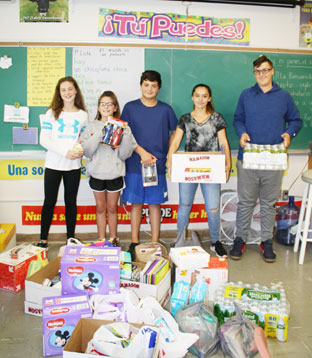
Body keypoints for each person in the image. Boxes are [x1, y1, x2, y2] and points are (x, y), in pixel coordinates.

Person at [230, 55, 302, 263]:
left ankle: (266, 241)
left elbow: (295, 120)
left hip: (274, 158)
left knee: (269, 203)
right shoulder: (246, 95)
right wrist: (242, 132)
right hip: (249, 157)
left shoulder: (284, 96)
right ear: (255, 73)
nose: (261, 74)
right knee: (245, 202)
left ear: (272, 71)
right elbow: (238, 119)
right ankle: (240, 239)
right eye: (257, 71)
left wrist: (290, 134)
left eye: (265, 70)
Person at [167, 84, 231, 257]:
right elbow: (175, 142)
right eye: (197, 95)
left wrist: (227, 163)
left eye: (204, 96)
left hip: (211, 168)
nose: (201, 99)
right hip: (189, 168)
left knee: (213, 208)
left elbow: (224, 142)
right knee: (184, 206)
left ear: (209, 98)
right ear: (192, 97)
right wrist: (169, 161)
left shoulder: (217, 118)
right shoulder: (185, 119)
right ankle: (180, 239)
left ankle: (215, 242)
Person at [121, 70, 178, 257]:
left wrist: (166, 154)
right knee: (136, 203)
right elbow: (124, 135)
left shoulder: (166, 109)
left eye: (154, 85)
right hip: (135, 164)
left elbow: (175, 134)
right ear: (140, 86)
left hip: (157, 165)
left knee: (155, 204)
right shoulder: (130, 108)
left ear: (159, 88)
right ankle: (134, 241)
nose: (150, 89)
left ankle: (154, 242)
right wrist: (141, 152)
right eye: (146, 85)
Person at [36, 76, 88, 248]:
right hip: (53, 164)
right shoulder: (51, 113)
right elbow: (44, 140)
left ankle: (70, 239)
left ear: (76, 91)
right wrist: (65, 152)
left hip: (73, 166)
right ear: (59, 93)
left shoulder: (83, 115)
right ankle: (43, 240)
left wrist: (80, 149)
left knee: (71, 202)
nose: (67, 93)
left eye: (70, 89)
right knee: (49, 201)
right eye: (63, 89)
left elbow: (84, 138)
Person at [80, 91, 137, 243]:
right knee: (100, 208)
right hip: (96, 174)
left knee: (112, 208)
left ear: (115, 107)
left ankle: (113, 239)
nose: (106, 107)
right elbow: (87, 152)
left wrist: (123, 136)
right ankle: (100, 239)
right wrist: (100, 133)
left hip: (115, 174)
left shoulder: (123, 127)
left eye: (109, 104)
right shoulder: (90, 126)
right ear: (98, 107)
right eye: (103, 104)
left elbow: (125, 154)